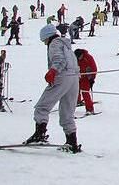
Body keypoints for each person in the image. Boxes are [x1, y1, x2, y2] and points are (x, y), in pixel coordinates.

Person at [25, 25, 81, 153]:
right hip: (74, 78)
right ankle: (72, 141)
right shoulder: (66, 45)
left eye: (44, 40)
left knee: (42, 107)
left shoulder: (54, 44)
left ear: (47, 37)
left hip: (62, 77)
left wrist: (53, 71)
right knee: (67, 112)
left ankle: (39, 134)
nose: (45, 43)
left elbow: (59, 60)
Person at [74, 49, 97, 114]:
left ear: (82, 54)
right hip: (78, 76)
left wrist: (92, 79)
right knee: (75, 90)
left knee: (85, 92)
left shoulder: (88, 58)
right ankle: (78, 101)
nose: (78, 59)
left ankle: (90, 109)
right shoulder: (75, 58)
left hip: (87, 78)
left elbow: (94, 69)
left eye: (79, 57)